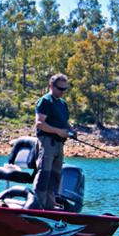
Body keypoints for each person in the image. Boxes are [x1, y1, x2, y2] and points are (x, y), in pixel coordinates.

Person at [32, 73, 75, 210]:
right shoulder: (45, 101)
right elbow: (39, 124)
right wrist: (58, 131)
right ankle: (38, 204)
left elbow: (64, 122)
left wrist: (70, 130)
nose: (62, 92)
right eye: (60, 89)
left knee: (55, 175)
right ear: (51, 86)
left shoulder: (63, 104)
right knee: (44, 173)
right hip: (47, 142)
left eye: (65, 89)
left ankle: (50, 206)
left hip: (59, 144)